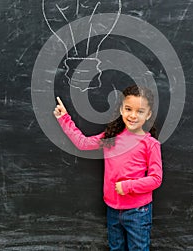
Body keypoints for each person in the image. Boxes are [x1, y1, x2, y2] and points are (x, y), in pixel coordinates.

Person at [53, 85, 163, 251]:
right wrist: (64, 118)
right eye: (128, 109)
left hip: (138, 212)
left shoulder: (150, 144)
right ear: (121, 109)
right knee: (115, 248)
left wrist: (128, 186)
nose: (133, 115)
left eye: (140, 111)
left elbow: (156, 179)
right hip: (112, 209)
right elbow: (82, 143)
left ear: (148, 115)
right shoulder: (111, 138)